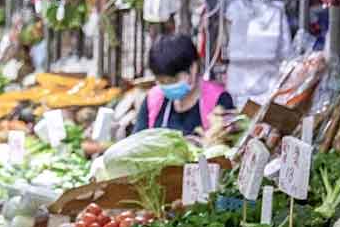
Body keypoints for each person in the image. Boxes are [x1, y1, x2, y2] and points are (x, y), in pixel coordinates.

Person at [82, 33, 232, 155]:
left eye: (173, 79)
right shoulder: (154, 99)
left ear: (193, 68)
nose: (167, 86)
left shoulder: (218, 99)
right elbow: (136, 144)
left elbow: (224, 149)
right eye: (161, 81)